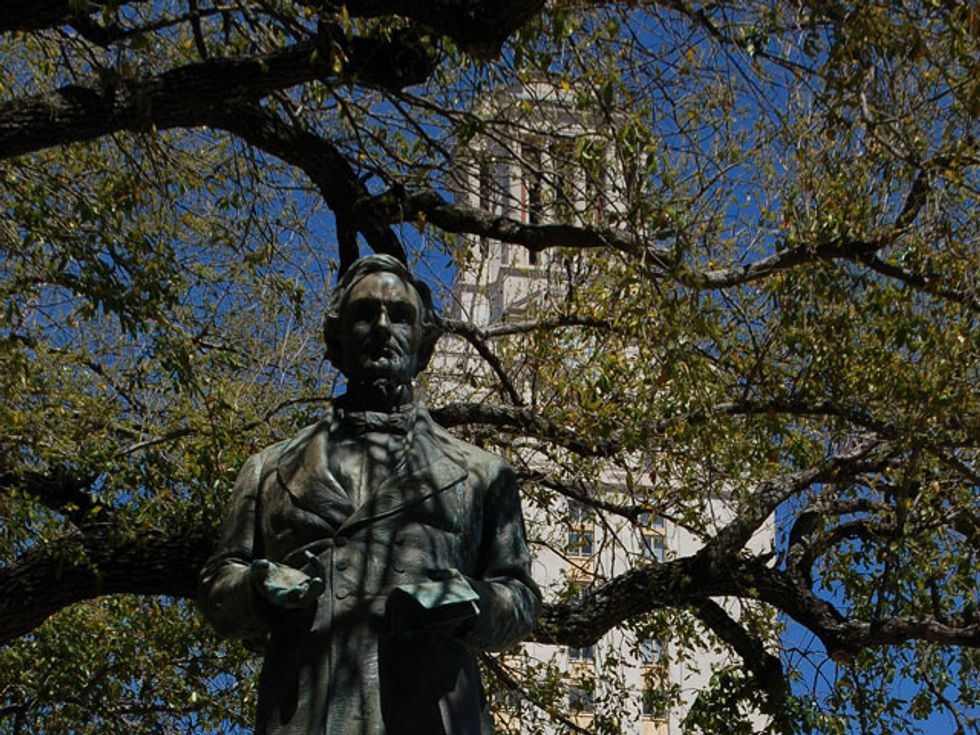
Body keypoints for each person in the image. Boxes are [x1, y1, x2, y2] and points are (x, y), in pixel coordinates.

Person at [198, 254, 540, 735]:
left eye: (400, 316)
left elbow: (521, 599)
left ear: (423, 343)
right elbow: (218, 589)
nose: (383, 328)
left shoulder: (482, 473)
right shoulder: (268, 469)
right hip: (308, 714)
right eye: (365, 314)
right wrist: (256, 588)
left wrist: (471, 600)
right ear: (336, 339)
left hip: (429, 714)